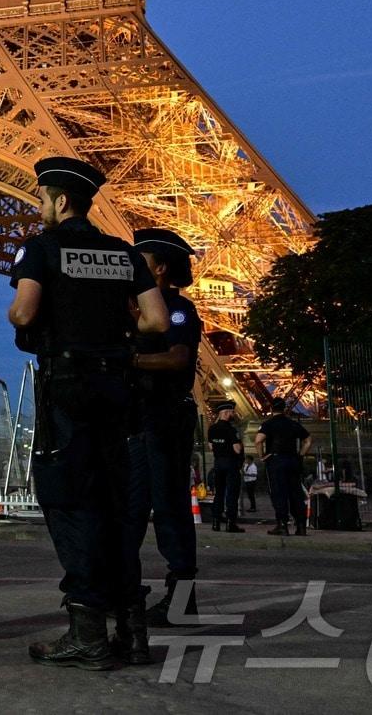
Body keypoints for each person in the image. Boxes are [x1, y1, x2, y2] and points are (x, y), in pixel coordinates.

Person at [7, 157, 167, 671]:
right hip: (117, 388)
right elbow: (157, 321)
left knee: (72, 505)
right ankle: (134, 631)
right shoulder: (123, 253)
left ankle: (87, 631)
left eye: (41, 200)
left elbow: (25, 313)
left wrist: (23, 316)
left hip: (69, 391)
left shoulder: (41, 248)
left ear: (58, 201)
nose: (39, 208)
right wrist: (115, 335)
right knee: (120, 507)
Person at [122, 227, 203, 632]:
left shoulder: (176, 309)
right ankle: (126, 591)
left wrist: (130, 364)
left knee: (169, 507)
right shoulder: (133, 309)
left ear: (161, 268)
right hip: (139, 418)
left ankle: (182, 598)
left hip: (165, 416)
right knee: (130, 510)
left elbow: (177, 358)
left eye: (142, 260)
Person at [255, 398, 311, 536]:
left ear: (271, 409)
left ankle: (282, 525)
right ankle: (301, 525)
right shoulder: (293, 424)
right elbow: (308, 440)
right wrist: (300, 455)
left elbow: (258, 440)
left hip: (276, 460)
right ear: (285, 409)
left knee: (278, 492)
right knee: (295, 492)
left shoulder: (268, 424)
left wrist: (262, 456)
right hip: (292, 460)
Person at [206, 402, 244, 533]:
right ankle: (230, 523)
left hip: (218, 463)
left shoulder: (212, 429)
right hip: (231, 463)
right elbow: (237, 449)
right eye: (232, 412)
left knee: (219, 493)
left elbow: (210, 446)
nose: (233, 414)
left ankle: (216, 522)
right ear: (227, 413)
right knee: (232, 494)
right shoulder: (231, 429)